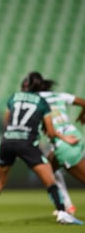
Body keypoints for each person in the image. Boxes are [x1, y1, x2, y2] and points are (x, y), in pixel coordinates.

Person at [0, 71, 83, 225]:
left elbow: (7, 122)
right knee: (50, 180)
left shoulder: (13, 97)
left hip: (7, 142)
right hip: (27, 143)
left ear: (24, 84)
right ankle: (62, 213)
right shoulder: (41, 102)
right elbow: (51, 132)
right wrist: (65, 137)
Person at [36, 77, 85, 214]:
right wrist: (82, 116)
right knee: (49, 170)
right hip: (74, 135)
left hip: (63, 143)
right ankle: (66, 206)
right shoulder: (60, 95)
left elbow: (50, 132)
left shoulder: (35, 99)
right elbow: (84, 103)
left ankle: (66, 207)